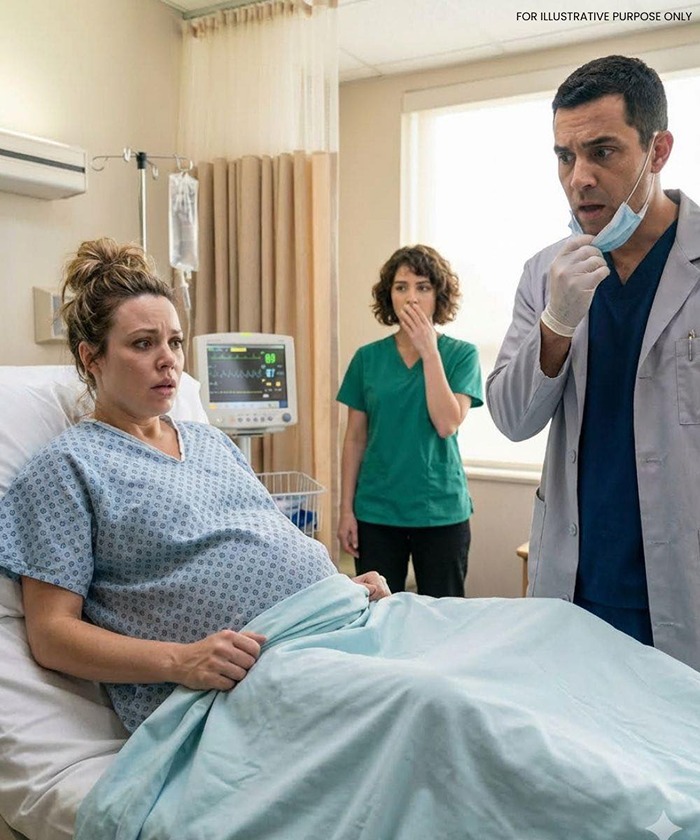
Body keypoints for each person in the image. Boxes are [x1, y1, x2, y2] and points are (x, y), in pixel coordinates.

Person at [0, 237, 389, 734]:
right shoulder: (67, 469)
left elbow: (269, 540)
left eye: (175, 342)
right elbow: (52, 634)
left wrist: (341, 587)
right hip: (245, 678)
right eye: (143, 343)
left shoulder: (211, 441)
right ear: (92, 357)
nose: (169, 360)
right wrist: (181, 660)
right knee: (440, 706)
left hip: (338, 622)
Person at [486, 54, 700, 670]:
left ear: (658, 150)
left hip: (683, 583)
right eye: (565, 156)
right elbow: (511, 418)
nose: (579, 177)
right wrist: (555, 324)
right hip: (577, 583)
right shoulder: (545, 272)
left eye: (602, 152)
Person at [337, 244, 483, 597]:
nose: (412, 298)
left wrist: (429, 351)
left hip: (440, 511)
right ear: (389, 296)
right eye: (401, 287)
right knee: (377, 614)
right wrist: (346, 511)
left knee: (443, 616)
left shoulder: (461, 355)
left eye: (423, 287)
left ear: (438, 296)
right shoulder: (367, 359)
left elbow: (447, 424)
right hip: (376, 511)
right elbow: (355, 439)